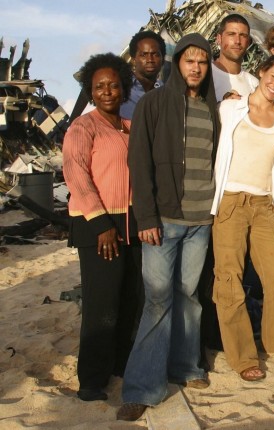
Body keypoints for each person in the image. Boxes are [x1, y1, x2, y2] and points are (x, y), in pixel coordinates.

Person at [117, 33, 218, 421]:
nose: (196, 67)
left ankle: (185, 367)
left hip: (200, 221)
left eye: (202, 62)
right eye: (189, 60)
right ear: (177, 64)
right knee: (158, 299)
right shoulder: (154, 103)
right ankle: (142, 387)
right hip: (163, 219)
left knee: (189, 296)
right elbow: (139, 162)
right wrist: (146, 218)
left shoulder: (211, 108)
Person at [211, 54, 274, 381]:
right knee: (229, 281)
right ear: (261, 72)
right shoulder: (231, 107)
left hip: (264, 205)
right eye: (273, 76)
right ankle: (244, 357)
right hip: (231, 201)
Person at [63, 53, 141, 402]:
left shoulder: (128, 126)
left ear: (124, 88)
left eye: (113, 85)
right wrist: (101, 224)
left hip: (130, 224)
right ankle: (92, 380)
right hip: (98, 226)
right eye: (99, 86)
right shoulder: (83, 127)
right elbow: (76, 175)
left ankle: (119, 364)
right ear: (90, 91)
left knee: (129, 299)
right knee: (101, 304)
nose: (107, 91)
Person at [120, 30, 165, 120]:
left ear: (162, 59)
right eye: (144, 55)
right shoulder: (121, 88)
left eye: (155, 54)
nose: (150, 60)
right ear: (133, 60)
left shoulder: (165, 92)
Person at [212, 14, 258, 102]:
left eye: (243, 35)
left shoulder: (254, 85)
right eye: (231, 34)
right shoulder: (205, 75)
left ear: (248, 42)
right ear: (219, 38)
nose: (237, 41)